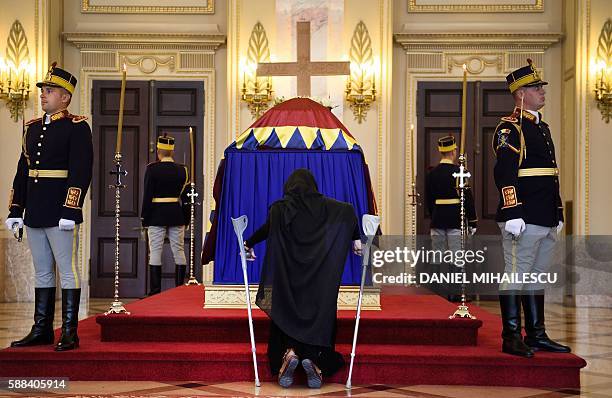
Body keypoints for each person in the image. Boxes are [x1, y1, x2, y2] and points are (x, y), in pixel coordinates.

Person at [244, 168, 362, 389]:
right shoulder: (328, 208)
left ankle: (289, 354)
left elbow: (266, 230)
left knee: (285, 311)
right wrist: (355, 239)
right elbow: (348, 212)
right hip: (317, 282)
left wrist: (248, 243)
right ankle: (312, 358)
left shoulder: (280, 209)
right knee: (317, 312)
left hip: (287, 282)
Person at [5, 62, 93, 351]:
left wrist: (71, 209)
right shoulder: (30, 128)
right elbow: (23, 171)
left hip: (60, 211)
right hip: (36, 210)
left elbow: (81, 171)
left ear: (65, 97)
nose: (43, 95)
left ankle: (69, 331)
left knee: (67, 270)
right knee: (42, 271)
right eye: (43, 90)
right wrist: (16, 209)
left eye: (50, 90)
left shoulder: (77, 128)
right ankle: (41, 328)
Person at [493, 59, 570, 358]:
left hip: (545, 215)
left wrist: (559, 211)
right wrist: (512, 211)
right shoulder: (509, 129)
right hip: (523, 217)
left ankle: (537, 334)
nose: (542, 92)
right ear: (520, 93)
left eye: (541, 87)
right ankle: (511, 336)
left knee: (537, 276)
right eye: (536, 87)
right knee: (516, 274)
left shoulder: (543, 128)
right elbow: (505, 172)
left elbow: (551, 174)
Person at [424, 135, 477, 301]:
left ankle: (436, 293)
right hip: (455, 217)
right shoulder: (459, 172)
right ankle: (455, 293)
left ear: (440, 151)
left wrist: (434, 216)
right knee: (456, 256)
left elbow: (429, 200)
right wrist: (472, 220)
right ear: (453, 151)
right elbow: (467, 197)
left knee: (437, 255)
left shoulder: (432, 173)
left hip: (438, 217)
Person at [141, 134, 190, 295]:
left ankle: (155, 292)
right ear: (172, 152)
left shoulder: (152, 169)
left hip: (156, 215)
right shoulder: (183, 170)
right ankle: (179, 290)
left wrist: (144, 218)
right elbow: (186, 198)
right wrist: (187, 219)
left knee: (155, 252)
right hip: (176, 214)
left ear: (158, 151)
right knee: (179, 251)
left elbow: (147, 195)